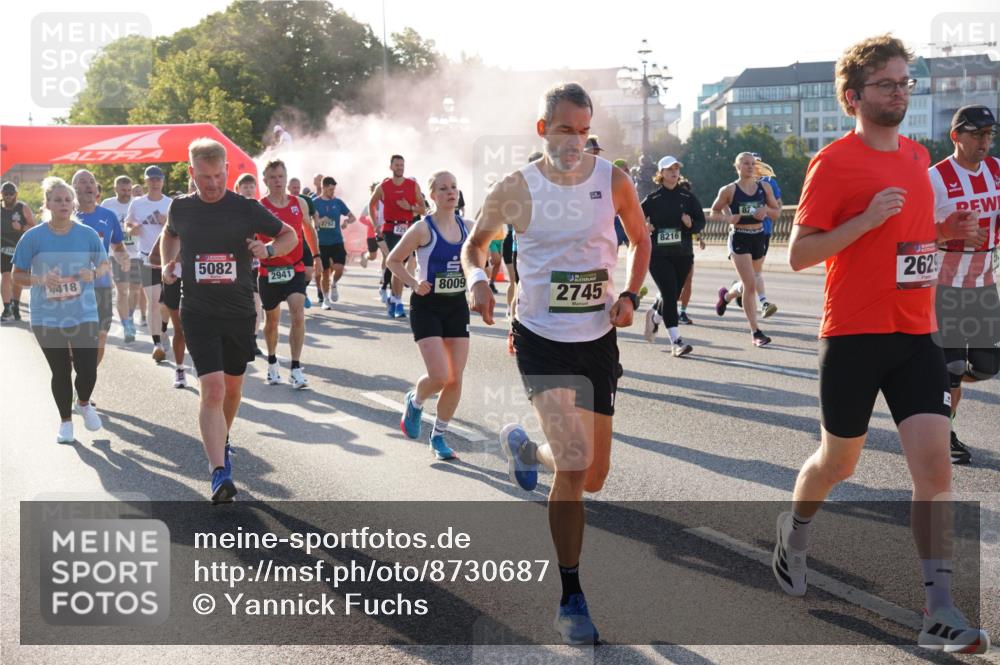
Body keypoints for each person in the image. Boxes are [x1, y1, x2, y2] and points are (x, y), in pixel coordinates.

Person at [775, 35, 989, 654]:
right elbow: (798, 254)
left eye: (905, 83)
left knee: (935, 468)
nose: (900, 92)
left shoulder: (915, 157)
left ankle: (940, 607)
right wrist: (862, 221)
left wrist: (946, 231)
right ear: (853, 97)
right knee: (838, 463)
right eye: (887, 84)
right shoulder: (834, 163)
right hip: (853, 334)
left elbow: (912, 237)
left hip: (915, 332)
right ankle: (796, 527)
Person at [462, 82, 651, 645]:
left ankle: (525, 449)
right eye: (565, 129)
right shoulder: (517, 188)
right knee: (573, 465)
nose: (575, 140)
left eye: (584, 128)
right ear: (542, 130)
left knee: (593, 475)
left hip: (596, 338)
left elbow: (641, 241)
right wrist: (478, 282)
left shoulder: (610, 179)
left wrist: (631, 296)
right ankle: (571, 595)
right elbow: (477, 244)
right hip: (541, 336)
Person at [160, 138, 297, 503]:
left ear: (226, 171)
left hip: (238, 312)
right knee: (214, 390)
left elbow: (289, 235)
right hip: (198, 311)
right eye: (205, 177)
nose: (214, 184)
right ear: (192, 173)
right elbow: (169, 235)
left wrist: (268, 250)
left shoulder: (245, 208)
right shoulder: (181, 208)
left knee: (233, 391)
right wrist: (166, 262)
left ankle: (222, 437)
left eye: (219, 175)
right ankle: (219, 472)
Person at [928, 105, 1000, 465]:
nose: (985, 142)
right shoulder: (935, 178)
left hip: (984, 284)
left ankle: (934, 384)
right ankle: (944, 430)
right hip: (945, 287)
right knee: (954, 370)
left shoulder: (997, 170)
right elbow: (910, 232)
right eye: (977, 134)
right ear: (956, 136)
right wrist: (949, 235)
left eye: (989, 134)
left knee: (987, 368)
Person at [11, 177, 107, 442]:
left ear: (73, 203)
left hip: (83, 312)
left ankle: (84, 402)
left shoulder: (86, 234)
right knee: (61, 371)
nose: (63, 204)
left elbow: (104, 266)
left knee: (88, 369)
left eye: (67, 200)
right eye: (57, 200)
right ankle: (65, 423)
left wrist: (92, 272)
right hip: (47, 316)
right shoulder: (33, 237)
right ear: (48, 204)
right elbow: (16, 275)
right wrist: (40, 280)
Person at [390, 170, 470, 461]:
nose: (451, 192)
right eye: (444, 188)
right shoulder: (423, 229)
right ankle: (416, 400)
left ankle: (438, 437)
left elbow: (481, 258)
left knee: (455, 378)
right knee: (440, 375)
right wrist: (413, 283)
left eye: (454, 187)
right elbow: (393, 260)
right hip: (427, 305)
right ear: (432, 196)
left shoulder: (468, 227)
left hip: (456, 305)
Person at [709, 152, 781, 347]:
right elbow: (714, 212)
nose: (750, 166)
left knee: (750, 281)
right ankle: (756, 332)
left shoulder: (764, 187)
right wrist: (727, 218)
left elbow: (776, 213)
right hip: (740, 237)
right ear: (737, 167)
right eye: (745, 163)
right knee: (750, 285)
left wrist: (766, 211)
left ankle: (726, 296)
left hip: (758, 237)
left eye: (752, 163)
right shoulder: (729, 190)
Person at [641, 156, 705, 356]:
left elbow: (701, 221)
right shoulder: (652, 199)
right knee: (669, 294)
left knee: (673, 296)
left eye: (676, 168)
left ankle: (655, 319)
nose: (674, 172)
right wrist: (644, 227)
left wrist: (690, 225)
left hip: (683, 254)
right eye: (669, 169)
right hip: (659, 255)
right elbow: (633, 218)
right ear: (661, 174)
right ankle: (676, 342)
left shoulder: (687, 198)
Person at [258, 160, 311, 389]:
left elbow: (307, 231)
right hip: (269, 270)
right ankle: (272, 362)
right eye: (272, 177)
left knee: (298, 312)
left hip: (295, 268)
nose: (278, 181)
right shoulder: (259, 207)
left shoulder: (298, 203)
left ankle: (296, 367)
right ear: (265, 181)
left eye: (281, 176)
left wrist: (313, 259)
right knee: (272, 321)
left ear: (286, 177)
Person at [72, 170, 129, 367]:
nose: (88, 184)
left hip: (101, 283)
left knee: (101, 336)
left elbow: (118, 245)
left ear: (96, 188)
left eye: (91, 181)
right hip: (72, 285)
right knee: (75, 338)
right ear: (74, 189)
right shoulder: (67, 215)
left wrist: (123, 259)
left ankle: (86, 381)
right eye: (82, 181)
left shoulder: (108, 215)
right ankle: (75, 371)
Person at [369, 155, 426, 318]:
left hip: (407, 227)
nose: (400, 167)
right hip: (389, 228)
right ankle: (399, 302)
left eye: (402, 165)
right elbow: (371, 203)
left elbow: (423, 209)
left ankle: (394, 299)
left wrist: (410, 207)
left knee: (399, 265)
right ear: (391, 167)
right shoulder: (384, 186)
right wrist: (375, 223)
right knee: (397, 262)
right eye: (397, 165)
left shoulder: (412, 185)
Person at [125, 165, 172, 362]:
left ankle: (162, 330)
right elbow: (127, 224)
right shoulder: (137, 203)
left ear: (162, 181)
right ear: (146, 181)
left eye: (158, 178)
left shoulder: (170, 203)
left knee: (165, 305)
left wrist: (167, 221)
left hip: (168, 260)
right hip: (145, 257)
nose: (154, 181)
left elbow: (180, 230)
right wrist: (131, 229)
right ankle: (157, 344)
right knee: (153, 302)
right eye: (151, 178)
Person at [100, 175, 142, 342]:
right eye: (123, 190)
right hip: (117, 254)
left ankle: (130, 316)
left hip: (136, 253)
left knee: (135, 290)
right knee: (122, 291)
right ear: (115, 188)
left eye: (129, 190)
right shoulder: (107, 205)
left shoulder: (138, 204)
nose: (126, 193)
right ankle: (127, 325)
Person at [313, 176, 356, 308]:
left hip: (336, 241)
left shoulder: (338, 202)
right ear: (324, 188)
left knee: (339, 268)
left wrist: (347, 222)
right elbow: (312, 224)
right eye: (330, 189)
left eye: (334, 189)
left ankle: (334, 283)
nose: (333, 192)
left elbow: (352, 217)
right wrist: (320, 221)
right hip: (322, 243)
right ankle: (326, 299)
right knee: (325, 273)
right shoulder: (315, 202)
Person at [236, 173, 266, 356]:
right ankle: (238, 338)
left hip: (254, 265)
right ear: (238, 189)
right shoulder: (231, 209)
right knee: (237, 305)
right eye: (244, 186)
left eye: (251, 186)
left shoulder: (260, 209)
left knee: (256, 304)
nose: (248, 189)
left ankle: (253, 340)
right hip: (235, 266)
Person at [2, 181, 36, 321]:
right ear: (2, 194)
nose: (9, 196)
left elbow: (34, 228)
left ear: (16, 194)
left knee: (17, 277)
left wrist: (21, 227)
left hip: (20, 246)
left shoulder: (23, 208)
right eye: (6, 193)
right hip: (3, 246)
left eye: (11, 193)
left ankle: (16, 304)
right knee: (5, 275)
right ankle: (7, 307)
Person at [288, 176, 319, 308]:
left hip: (305, 240)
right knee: (292, 272)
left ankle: (302, 291)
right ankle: (293, 292)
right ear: (288, 188)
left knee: (308, 272)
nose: (296, 190)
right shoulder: (284, 201)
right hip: (289, 242)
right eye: (293, 187)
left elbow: (314, 214)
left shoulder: (306, 200)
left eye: (298, 187)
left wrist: (315, 225)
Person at [676, 177, 703, 325]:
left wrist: (699, 237)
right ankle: (664, 305)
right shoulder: (665, 204)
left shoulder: (691, 207)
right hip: (668, 250)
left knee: (688, 280)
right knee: (672, 282)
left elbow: (695, 225)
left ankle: (683, 312)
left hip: (686, 248)